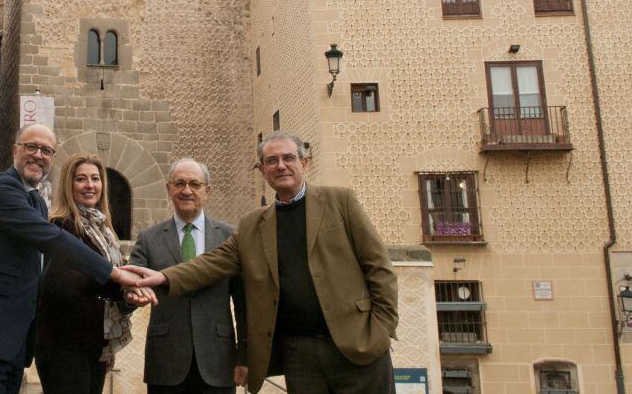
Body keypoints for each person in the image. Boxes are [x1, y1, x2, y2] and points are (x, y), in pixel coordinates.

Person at [126, 131, 397, 394]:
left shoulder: (341, 202)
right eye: (271, 161)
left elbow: (379, 267)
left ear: (304, 162)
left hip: (357, 346)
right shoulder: (253, 225)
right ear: (262, 170)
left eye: (288, 158)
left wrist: (382, 329)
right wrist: (164, 277)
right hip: (299, 356)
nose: (281, 166)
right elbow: (212, 262)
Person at [0, 124, 152, 394]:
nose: (38, 155)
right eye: (31, 147)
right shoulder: (2, 190)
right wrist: (117, 275)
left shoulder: (36, 201)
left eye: (46, 151)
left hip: (12, 342)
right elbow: (53, 240)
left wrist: (123, 296)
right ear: (15, 150)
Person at [128, 158, 248, 394]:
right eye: (180, 183)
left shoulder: (230, 237)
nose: (187, 190)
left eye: (194, 184)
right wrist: (131, 294)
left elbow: (244, 302)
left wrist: (244, 355)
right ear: (169, 189)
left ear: (207, 191)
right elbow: (133, 283)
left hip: (218, 361)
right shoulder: (149, 238)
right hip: (166, 361)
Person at [34, 153, 132, 394]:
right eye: (81, 179)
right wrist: (119, 285)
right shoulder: (61, 226)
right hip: (63, 346)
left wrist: (129, 297)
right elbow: (61, 285)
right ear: (69, 185)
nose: (90, 185)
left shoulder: (104, 228)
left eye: (95, 179)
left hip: (94, 345)